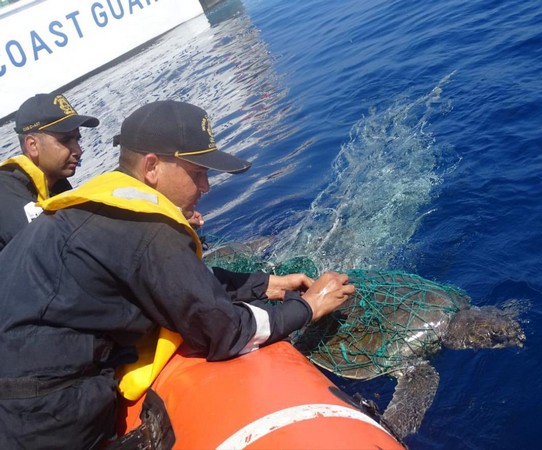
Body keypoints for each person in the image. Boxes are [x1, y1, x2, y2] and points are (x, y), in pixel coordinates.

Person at [0, 100, 354, 449]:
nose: (207, 187)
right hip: (45, 415)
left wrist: (264, 284)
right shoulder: (146, 227)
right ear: (152, 167)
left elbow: (172, 279)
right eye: (198, 173)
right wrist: (308, 307)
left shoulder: (100, 202)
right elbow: (223, 332)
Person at [0, 92, 99, 251]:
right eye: (65, 140)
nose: (78, 150)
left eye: (77, 139)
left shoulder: (56, 185)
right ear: (33, 145)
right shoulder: (6, 196)